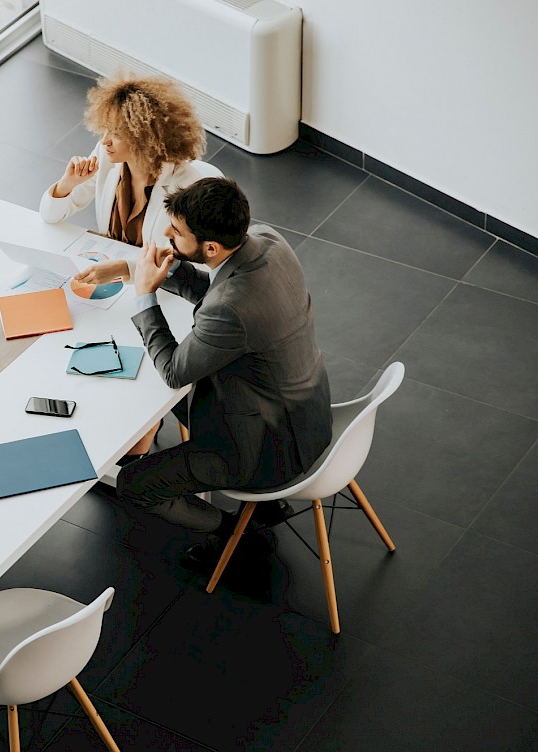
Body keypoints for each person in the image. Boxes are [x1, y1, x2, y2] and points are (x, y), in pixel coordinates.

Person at [118, 177, 332, 568]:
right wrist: (166, 272)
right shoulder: (267, 240)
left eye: (177, 232)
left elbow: (172, 370)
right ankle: (257, 513)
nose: (166, 232)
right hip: (309, 415)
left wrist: (144, 295)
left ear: (211, 247)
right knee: (174, 402)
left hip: (265, 451)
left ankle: (234, 531)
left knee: (134, 484)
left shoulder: (230, 310)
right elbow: (219, 290)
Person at [40, 72, 218, 287]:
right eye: (105, 128)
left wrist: (122, 269)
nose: (105, 141)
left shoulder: (186, 185)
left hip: (154, 284)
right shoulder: (105, 157)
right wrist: (67, 184)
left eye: (116, 133)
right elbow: (50, 215)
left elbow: (183, 260)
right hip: (110, 275)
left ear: (145, 137)